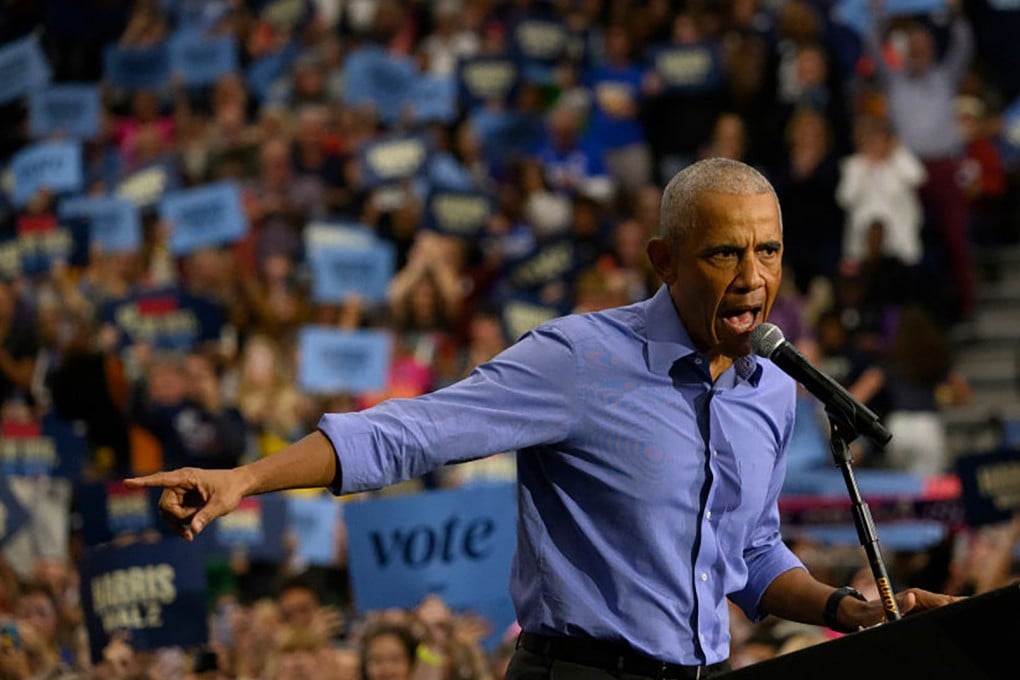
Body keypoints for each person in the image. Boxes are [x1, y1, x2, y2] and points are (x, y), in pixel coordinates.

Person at [126, 159, 957, 678]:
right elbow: (412, 431)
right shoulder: (580, 360)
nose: (752, 275)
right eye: (723, 252)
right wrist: (246, 477)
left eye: (768, 250)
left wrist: (849, 609)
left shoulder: (771, 388)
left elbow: (750, 554)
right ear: (664, 262)